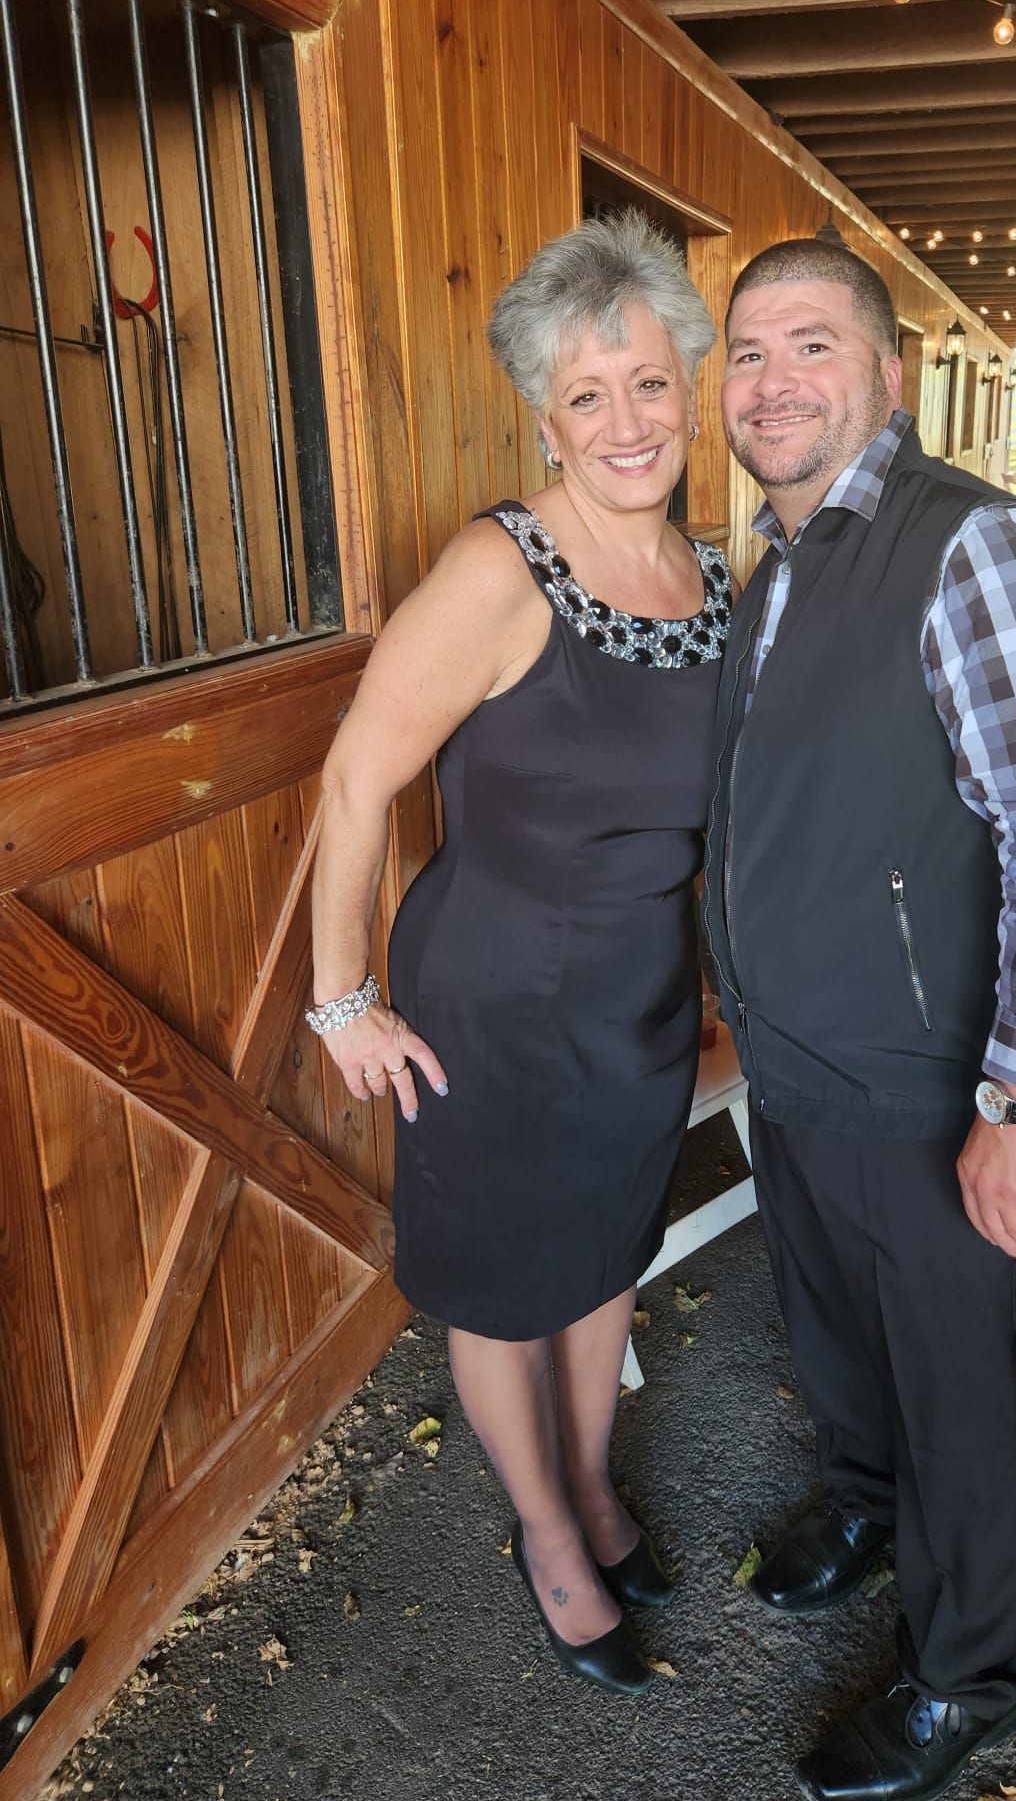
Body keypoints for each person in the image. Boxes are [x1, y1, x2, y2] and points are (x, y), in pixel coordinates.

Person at [702, 238, 1016, 1800]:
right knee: (833, 1328)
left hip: (938, 1082)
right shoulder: (774, 564)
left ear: (888, 372)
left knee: (959, 1382)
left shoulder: (978, 551)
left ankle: (967, 1675)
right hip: (801, 1062)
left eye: (810, 346)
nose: (772, 381)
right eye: (748, 352)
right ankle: (867, 1503)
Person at [308, 211, 731, 1698]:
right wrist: (340, 998)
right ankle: (550, 1531)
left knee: (605, 1249)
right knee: (499, 1281)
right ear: (540, 416)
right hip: (490, 996)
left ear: (688, 381)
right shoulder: (501, 570)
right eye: (586, 396)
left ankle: (598, 1479)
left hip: (637, 999)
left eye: (648, 383)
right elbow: (357, 778)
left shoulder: (706, 572)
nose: (626, 421)